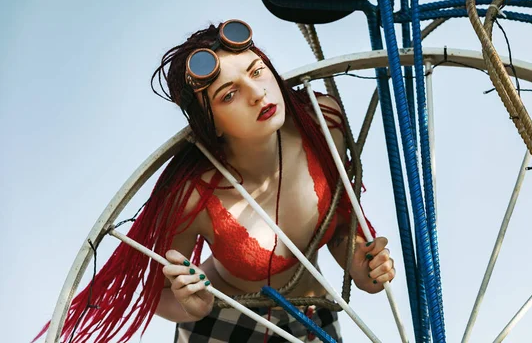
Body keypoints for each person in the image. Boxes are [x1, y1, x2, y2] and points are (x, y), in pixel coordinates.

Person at [36, 20, 395, 343]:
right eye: (229, 94)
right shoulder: (195, 194)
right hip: (222, 326)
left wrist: (362, 268)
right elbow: (158, 294)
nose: (257, 93)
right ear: (212, 124)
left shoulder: (323, 122)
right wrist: (194, 306)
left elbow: (342, 220)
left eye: (257, 72)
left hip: (313, 314)